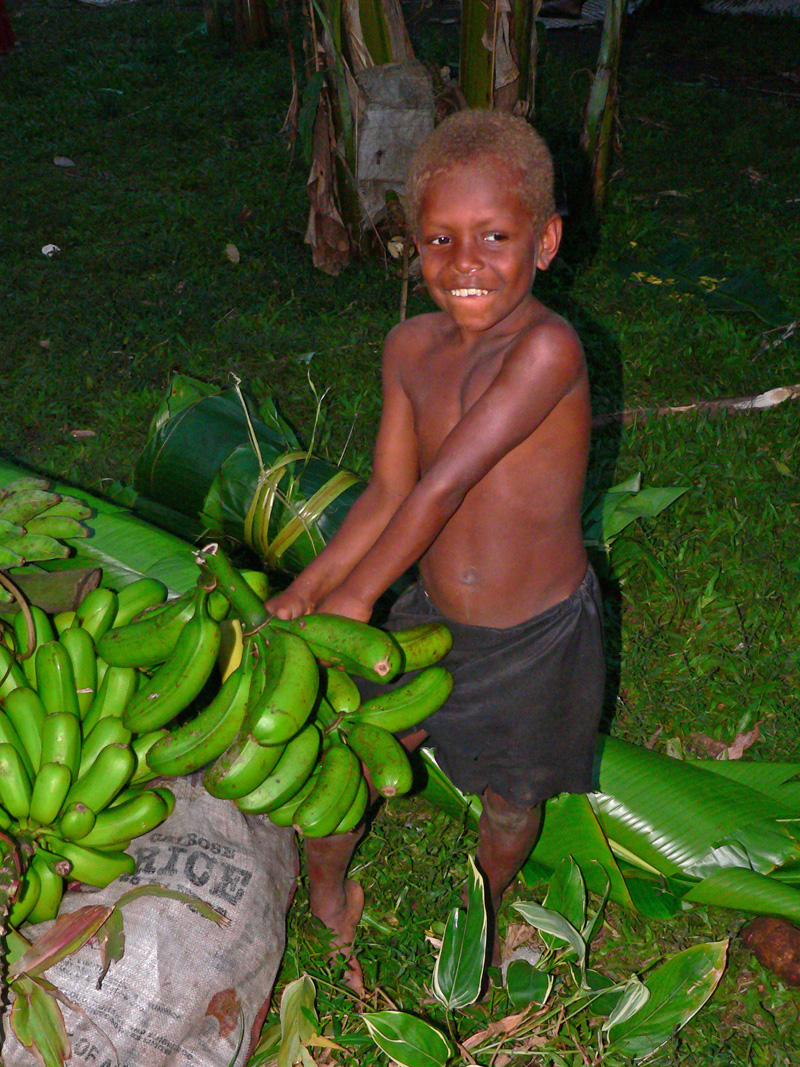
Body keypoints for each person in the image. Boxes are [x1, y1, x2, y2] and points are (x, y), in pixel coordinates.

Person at [265, 109, 605, 994]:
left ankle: (489, 902)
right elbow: (385, 491)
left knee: (512, 799)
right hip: (433, 616)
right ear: (410, 246)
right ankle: (330, 894)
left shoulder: (547, 350)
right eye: (440, 239)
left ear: (546, 241)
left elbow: (442, 488)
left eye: (495, 235)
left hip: (535, 637)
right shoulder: (410, 347)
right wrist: (310, 587)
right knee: (348, 757)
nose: (465, 263)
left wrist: (357, 594)